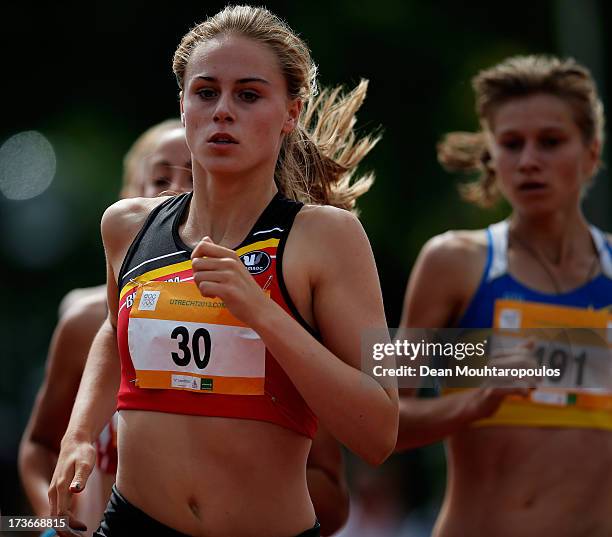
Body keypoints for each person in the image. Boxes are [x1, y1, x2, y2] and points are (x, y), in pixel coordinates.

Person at [49, 6, 398, 537]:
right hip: (134, 522)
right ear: (183, 105)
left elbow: (378, 432)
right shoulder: (126, 226)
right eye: (206, 92)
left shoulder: (326, 238)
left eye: (249, 95)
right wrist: (78, 435)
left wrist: (260, 311)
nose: (223, 111)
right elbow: (111, 332)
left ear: (291, 113)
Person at [396, 55, 612, 537]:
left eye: (551, 142)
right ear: (492, 157)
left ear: (592, 154)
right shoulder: (452, 262)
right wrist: (474, 400)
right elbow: (378, 418)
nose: (529, 160)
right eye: (511, 144)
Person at [19, 119, 192, 536]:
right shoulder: (85, 321)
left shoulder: (267, 302)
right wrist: (50, 523)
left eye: (193, 177)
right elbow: (40, 446)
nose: (172, 190)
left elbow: (330, 484)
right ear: (127, 199)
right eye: (158, 178)